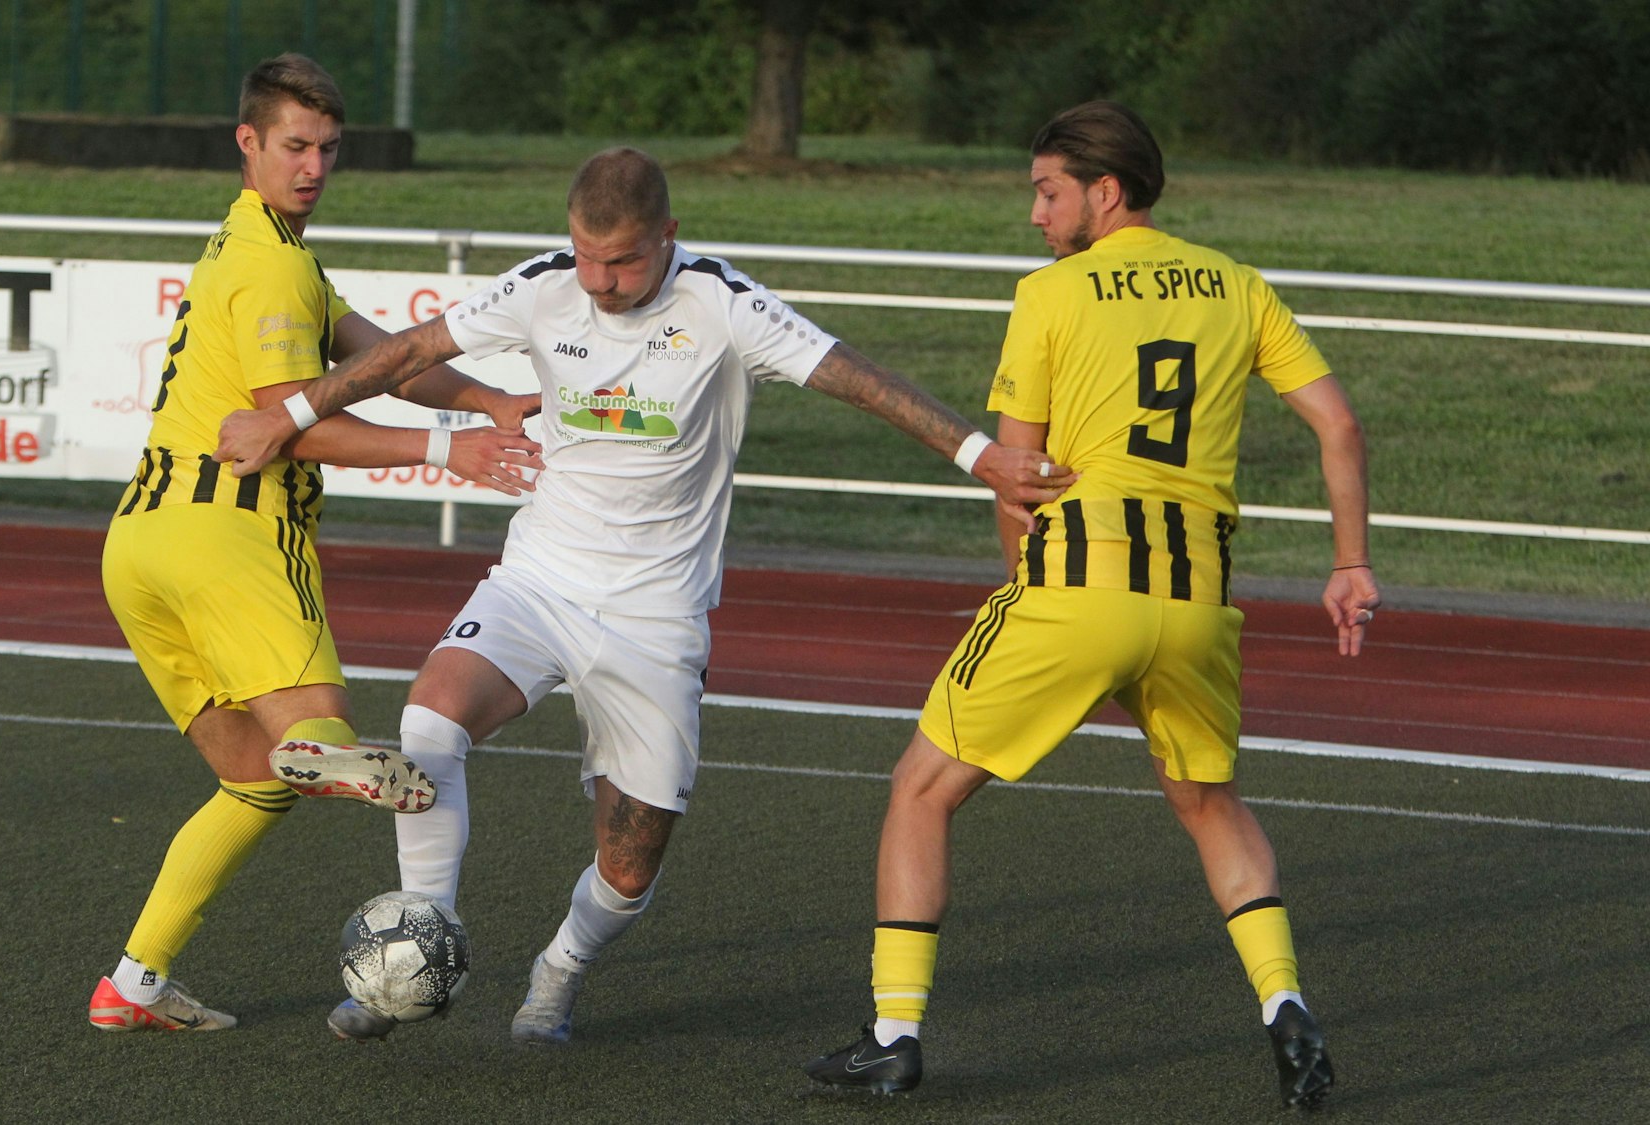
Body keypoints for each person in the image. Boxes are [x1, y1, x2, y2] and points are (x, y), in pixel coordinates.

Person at [215, 146, 1069, 1046]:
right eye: (586, 256)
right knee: (431, 722)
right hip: (540, 580)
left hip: (657, 617)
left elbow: (859, 379)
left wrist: (983, 459)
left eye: (621, 261)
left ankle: (560, 970)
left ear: (667, 237)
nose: (600, 280)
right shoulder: (546, 286)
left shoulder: (722, 302)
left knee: (628, 866)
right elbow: (411, 350)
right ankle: (419, 950)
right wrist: (290, 416)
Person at [800, 102, 1378, 1110]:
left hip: (1079, 584)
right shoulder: (1237, 285)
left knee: (919, 789)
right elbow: (1335, 423)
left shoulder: (1051, 294)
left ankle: (892, 1036)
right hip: (1197, 600)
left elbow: (1015, 476)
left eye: (1046, 190)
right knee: (1207, 803)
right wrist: (1348, 563)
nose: (1033, 213)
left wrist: (1024, 586)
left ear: (1102, 193)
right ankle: (1282, 1003)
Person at [89, 53, 542, 1033]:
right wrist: (446, 449)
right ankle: (328, 750)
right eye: (294, 146)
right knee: (306, 737)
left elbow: (370, 358)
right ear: (247, 143)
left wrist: (482, 397)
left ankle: (132, 983)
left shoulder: (253, 244)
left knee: (248, 783)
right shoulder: (270, 267)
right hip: (231, 534)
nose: (313, 166)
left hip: (138, 547)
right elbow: (282, 424)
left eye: (327, 149)